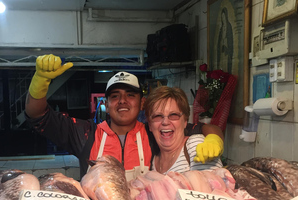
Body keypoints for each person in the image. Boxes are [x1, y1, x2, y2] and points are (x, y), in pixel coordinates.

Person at [25, 54, 224, 180]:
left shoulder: (154, 131)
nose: (122, 101)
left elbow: (201, 129)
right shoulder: (85, 133)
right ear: (106, 103)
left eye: (130, 95)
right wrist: (40, 82)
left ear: (141, 102)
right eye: (115, 96)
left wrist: (215, 138)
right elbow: (38, 115)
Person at [144, 86, 223, 174]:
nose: (165, 122)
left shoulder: (195, 145)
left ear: (185, 121)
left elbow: (214, 186)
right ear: (150, 125)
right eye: (157, 116)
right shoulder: (151, 161)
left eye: (174, 115)